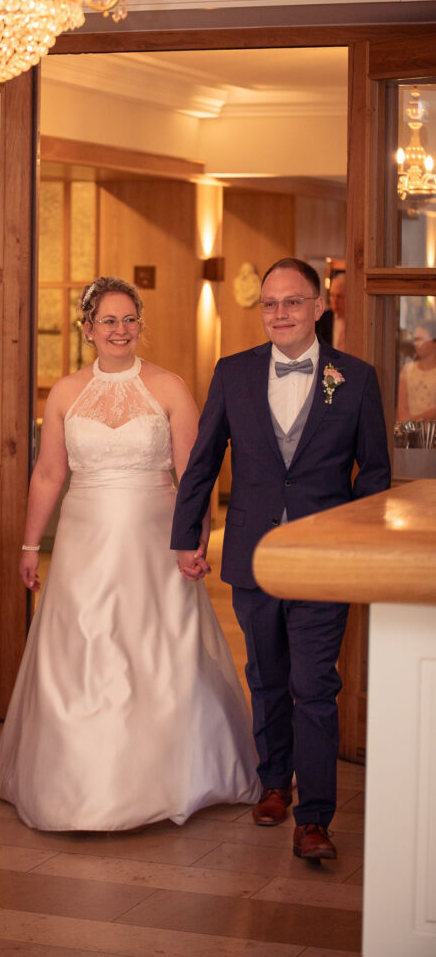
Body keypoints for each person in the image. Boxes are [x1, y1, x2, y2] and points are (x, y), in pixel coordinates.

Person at [0, 276, 260, 831]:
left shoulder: (170, 388)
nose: (120, 330)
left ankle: (172, 776)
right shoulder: (65, 393)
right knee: (83, 649)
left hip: (155, 544)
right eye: (108, 321)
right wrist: (29, 544)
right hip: (83, 545)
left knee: (156, 653)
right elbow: (49, 473)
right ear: (88, 329)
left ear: (140, 325)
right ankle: (75, 786)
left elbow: (195, 476)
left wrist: (195, 539)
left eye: (129, 319)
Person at [171, 258, 391, 861]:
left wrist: (361, 546)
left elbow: (374, 474)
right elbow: (204, 461)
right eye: (270, 303)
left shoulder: (356, 378)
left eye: (293, 301)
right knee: (265, 677)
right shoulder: (234, 373)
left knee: (315, 685)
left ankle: (315, 819)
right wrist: (188, 535)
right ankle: (274, 784)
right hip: (253, 552)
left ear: (318, 307)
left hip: (325, 559)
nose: (280, 313)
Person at [396, 319, 436, 422]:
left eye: (421, 339)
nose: (416, 343)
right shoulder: (407, 370)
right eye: (415, 339)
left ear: (433, 342)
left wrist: (416, 419)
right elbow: (402, 407)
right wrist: (407, 423)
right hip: (410, 428)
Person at [317, 271, 345, 349]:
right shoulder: (322, 320)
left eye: (339, 296)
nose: (334, 301)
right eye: (332, 295)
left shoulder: (357, 321)